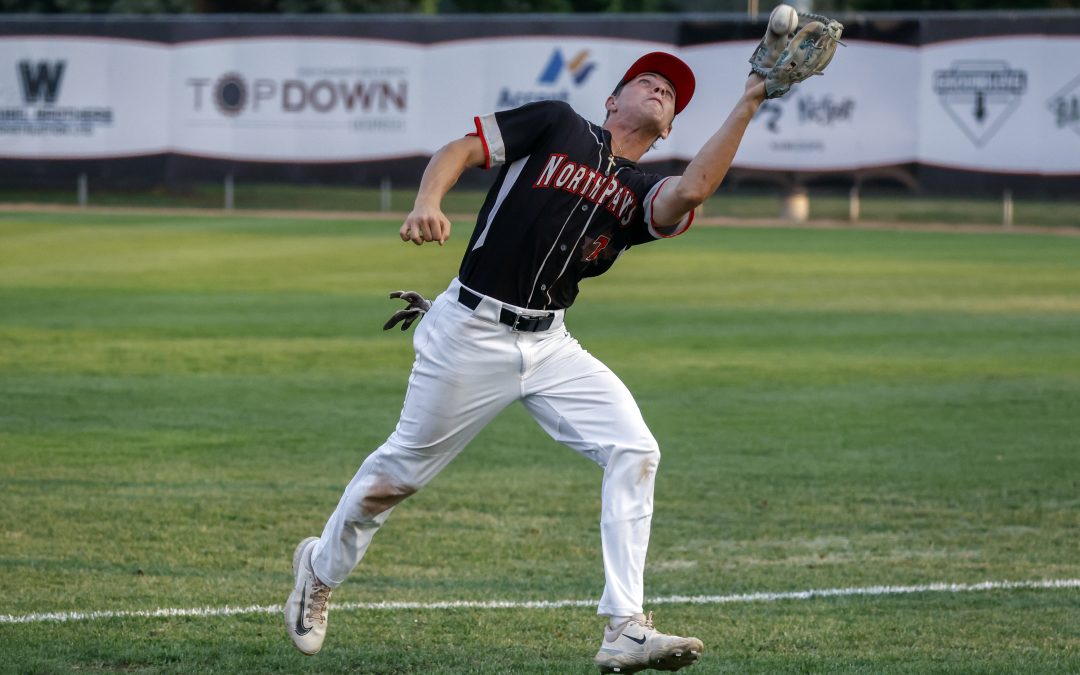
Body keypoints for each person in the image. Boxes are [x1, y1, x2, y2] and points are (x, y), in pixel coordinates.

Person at [286, 51, 769, 674]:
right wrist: (427, 201)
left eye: (670, 94)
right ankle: (319, 571)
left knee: (635, 449)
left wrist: (751, 99)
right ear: (611, 102)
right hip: (468, 331)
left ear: (670, 128)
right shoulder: (556, 123)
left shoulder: (644, 191)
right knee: (395, 478)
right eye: (645, 80)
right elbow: (458, 150)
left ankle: (625, 626)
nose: (659, 88)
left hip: (550, 345)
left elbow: (695, 188)